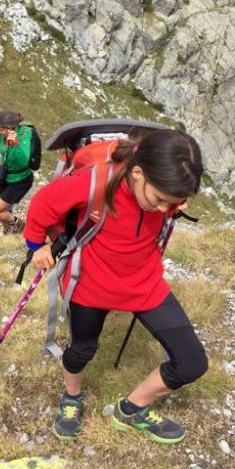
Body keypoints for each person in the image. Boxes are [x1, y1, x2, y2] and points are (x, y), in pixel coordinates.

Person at [23, 128, 207, 444]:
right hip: (90, 283)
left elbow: (162, 208)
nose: (164, 209)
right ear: (137, 173)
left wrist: (171, 204)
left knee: (192, 362)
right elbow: (43, 204)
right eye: (160, 199)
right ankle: (72, 398)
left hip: (144, 282)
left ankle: (131, 409)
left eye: (173, 203)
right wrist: (35, 245)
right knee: (82, 349)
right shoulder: (95, 181)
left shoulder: (158, 192)